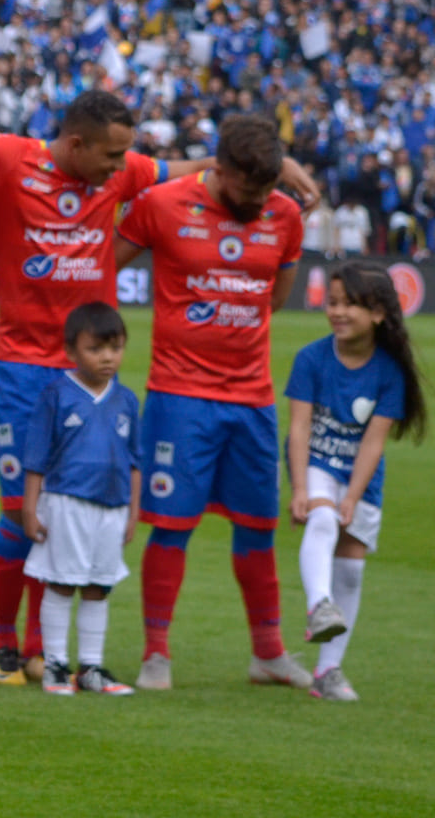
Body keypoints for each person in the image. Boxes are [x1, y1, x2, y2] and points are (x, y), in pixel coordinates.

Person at [0, 90, 317, 685]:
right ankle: (4, 642)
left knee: (61, 514)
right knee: (20, 513)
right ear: (78, 144)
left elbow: (180, 169)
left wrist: (279, 166)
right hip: (20, 366)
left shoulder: (124, 171)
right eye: (112, 156)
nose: (122, 168)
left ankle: (43, 647)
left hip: (85, 373)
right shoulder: (11, 158)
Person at [115, 114, 309, 691]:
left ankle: (268, 654)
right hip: (179, 396)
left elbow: (275, 297)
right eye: (246, 190)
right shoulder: (164, 204)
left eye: (265, 190)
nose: (257, 202)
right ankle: (156, 655)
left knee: (258, 525)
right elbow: (105, 267)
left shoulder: (286, 215)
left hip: (252, 398)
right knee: (172, 525)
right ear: (218, 169)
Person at [285, 263, 427, 702]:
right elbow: (299, 428)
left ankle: (328, 672)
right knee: (322, 523)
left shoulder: (389, 372)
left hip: (360, 477)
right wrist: (303, 491)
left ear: (379, 314)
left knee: (351, 569)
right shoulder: (311, 358)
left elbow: (373, 443)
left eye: (350, 303)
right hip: (315, 465)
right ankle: (318, 606)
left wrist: (352, 496)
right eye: (333, 302)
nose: (338, 311)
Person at [22, 302, 140, 696]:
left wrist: (133, 512)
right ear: (71, 351)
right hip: (66, 504)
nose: (107, 357)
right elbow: (36, 459)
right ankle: (55, 664)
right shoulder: (57, 395)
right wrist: (30, 508)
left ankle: (91, 667)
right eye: (96, 348)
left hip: (113, 507)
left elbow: (135, 460)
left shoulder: (126, 400)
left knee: (99, 585)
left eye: (115, 347)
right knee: (60, 582)